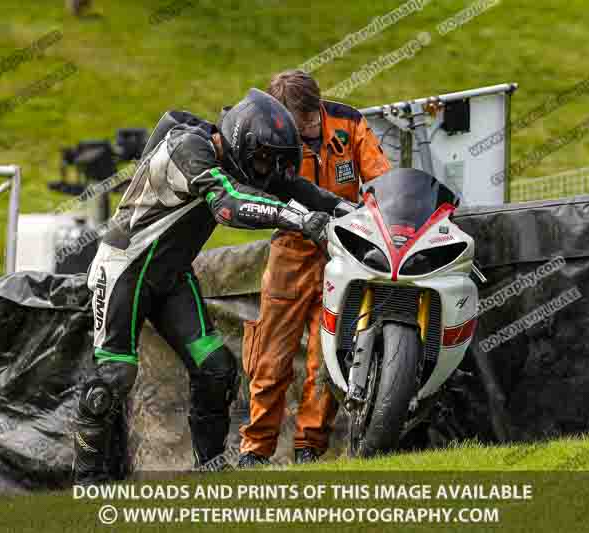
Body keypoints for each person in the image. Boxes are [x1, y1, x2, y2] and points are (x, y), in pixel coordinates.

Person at [72, 88, 352, 484]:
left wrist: (347, 209)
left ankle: (209, 471)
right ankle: (87, 483)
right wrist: (297, 220)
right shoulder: (189, 148)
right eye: (262, 159)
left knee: (216, 369)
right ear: (242, 139)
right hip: (124, 269)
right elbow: (229, 203)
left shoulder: (230, 158)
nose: (265, 170)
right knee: (113, 379)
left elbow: (293, 188)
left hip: (171, 275)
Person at [238, 69, 391, 468]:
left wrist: (373, 212)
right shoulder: (268, 135)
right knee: (269, 356)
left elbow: (381, 180)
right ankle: (255, 451)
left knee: (326, 358)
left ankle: (311, 448)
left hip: (342, 251)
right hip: (290, 249)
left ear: (318, 107)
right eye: (291, 122)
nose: (300, 128)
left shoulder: (349, 123)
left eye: (306, 119)